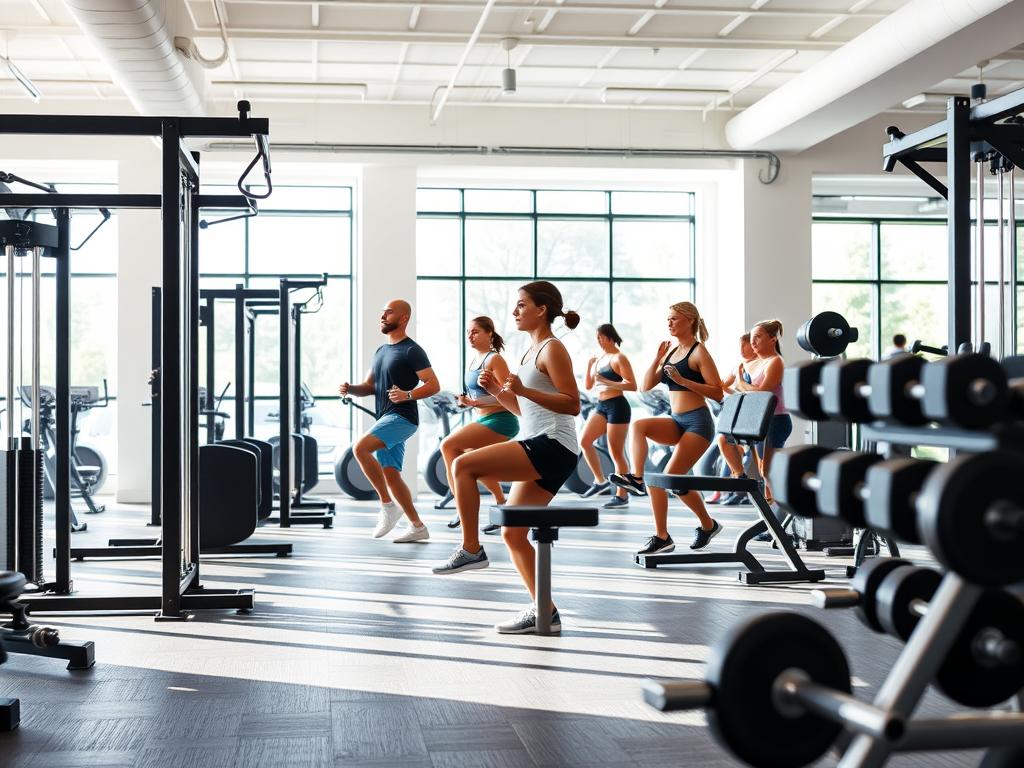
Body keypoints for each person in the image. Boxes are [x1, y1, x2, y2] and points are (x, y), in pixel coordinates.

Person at [432, 281, 580, 636]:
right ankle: (545, 611)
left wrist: (523, 388)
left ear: (541, 310)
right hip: (540, 440)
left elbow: (572, 403)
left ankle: (470, 549)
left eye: (521, 305)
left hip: (554, 443)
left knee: (463, 464)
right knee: (514, 534)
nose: (514, 312)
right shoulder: (529, 353)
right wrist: (500, 392)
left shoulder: (552, 348)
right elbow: (522, 410)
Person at [610, 302, 724, 555]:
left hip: (698, 423)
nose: (669, 323)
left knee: (671, 478)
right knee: (640, 428)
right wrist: (656, 358)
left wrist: (684, 381)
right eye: (668, 319)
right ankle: (638, 480)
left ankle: (700, 526)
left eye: (674, 319)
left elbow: (717, 391)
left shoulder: (698, 352)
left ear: (690, 320)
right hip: (676, 420)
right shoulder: (671, 352)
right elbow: (645, 386)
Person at [339, 299, 440, 543]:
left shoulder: (412, 350)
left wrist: (408, 395)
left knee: (360, 448)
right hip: (386, 416)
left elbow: (433, 384)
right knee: (392, 474)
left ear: (404, 318)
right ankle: (417, 526)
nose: (382, 316)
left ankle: (387, 505)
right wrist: (351, 388)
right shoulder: (381, 351)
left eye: (389, 312)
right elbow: (370, 386)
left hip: (403, 417)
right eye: (382, 312)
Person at [442, 316, 518, 536]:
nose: (470, 336)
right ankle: (502, 503)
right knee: (473, 463)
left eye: (475, 332)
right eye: (468, 332)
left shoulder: (495, 360)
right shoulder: (473, 361)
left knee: (448, 446)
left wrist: (477, 402)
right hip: (482, 418)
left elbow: (509, 396)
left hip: (502, 420)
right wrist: (467, 401)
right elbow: (478, 396)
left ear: (489, 334)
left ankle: (460, 506)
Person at [732, 319, 791, 519]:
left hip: (777, 421)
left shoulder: (776, 361)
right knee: (763, 473)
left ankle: (780, 522)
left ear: (772, 339)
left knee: (768, 473)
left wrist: (740, 381)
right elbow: (742, 391)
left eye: (758, 337)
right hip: (762, 422)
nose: (753, 341)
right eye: (752, 337)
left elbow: (761, 394)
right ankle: (769, 522)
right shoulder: (757, 363)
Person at [579, 323, 636, 510]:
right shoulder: (600, 358)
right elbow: (588, 386)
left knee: (616, 452)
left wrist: (608, 381)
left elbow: (632, 385)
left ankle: (622, 495)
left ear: (610, 337)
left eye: (600, 337)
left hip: (617, 405)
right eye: (596, 338)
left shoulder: (619, 358)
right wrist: (588, 366)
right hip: (601, 405)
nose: (598, 341)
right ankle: (600, 480)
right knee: (585, 441)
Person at [707, 333, 756, 505]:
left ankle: (740, 489)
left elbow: (760, 392)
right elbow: (722, 385)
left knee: (747, 454)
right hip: (740, 415)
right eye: (740, 346)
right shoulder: (739, 366)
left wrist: (741, 386)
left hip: (755, 417)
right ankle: (732, 486)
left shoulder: (761, 365)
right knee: (726, 448)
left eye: (745, 346)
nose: (742, 350)